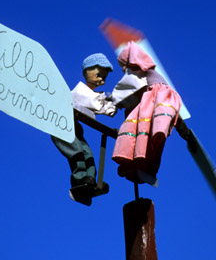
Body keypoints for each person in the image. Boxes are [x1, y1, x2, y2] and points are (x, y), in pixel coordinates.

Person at [111, 41, 182, 184]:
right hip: (164, 101)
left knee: (135, 129)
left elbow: (125, 91)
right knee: (153, 139)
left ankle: (134, 160)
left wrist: (112, 102)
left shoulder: (136, 72)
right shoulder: (152, 73)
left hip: (151, 101)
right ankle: (149, 167)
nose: (123, 69)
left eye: (123, 65)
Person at [51, 53, 116, 188]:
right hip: (61, 125)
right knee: (76, 150)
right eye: (99, 76)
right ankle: (79, 178)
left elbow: (103, 107)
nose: (102, 81)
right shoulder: (79, 92)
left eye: (104, 78)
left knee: (88, 153)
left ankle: (91, 179)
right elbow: (97, 105)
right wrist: (112, 101)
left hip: (74, 127)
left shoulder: (94, 95)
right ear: (87, 72)